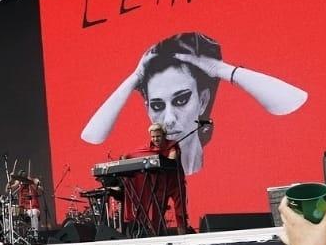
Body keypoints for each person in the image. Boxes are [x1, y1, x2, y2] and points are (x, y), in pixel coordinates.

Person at [80, 32, 307, 175]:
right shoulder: (146, 156)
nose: (169, 119)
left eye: (181, 100)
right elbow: (92, 136)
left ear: (203, 100)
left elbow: (293, 101)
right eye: (157, 105)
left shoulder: (230, 162)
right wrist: (134, 77)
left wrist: (222, 70)